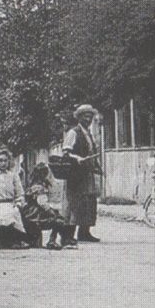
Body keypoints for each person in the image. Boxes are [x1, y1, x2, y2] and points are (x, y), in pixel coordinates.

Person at [61, 104, 103, 246]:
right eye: (85, 116)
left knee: (89, 202)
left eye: (90, 116)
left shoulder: (89, 134)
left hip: (87, 173)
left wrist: (96, 166)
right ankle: (69, 234)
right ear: (79, 117)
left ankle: (84, 232)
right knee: (74, 203)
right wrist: (77, 158)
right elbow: (66, 152)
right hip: (76, 174)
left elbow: (91, 153)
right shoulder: (74, 132)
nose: (88, 119)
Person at [0, 147, 28, 249]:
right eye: (0, 160)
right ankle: (1, 241)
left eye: (5, 161)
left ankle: (16, 240)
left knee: (12, 214)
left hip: (10, 204)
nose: (3, 163)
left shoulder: (13, 176)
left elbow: (20, 193)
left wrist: (19, 203)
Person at [22, 162, 63, 250]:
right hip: (36, 214)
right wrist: (51, 211)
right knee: (59, 219)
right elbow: (42, 202)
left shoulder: (32, 185)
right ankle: (52, 240)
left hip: (29, 214)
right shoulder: (40, 187)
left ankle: (36, 241)